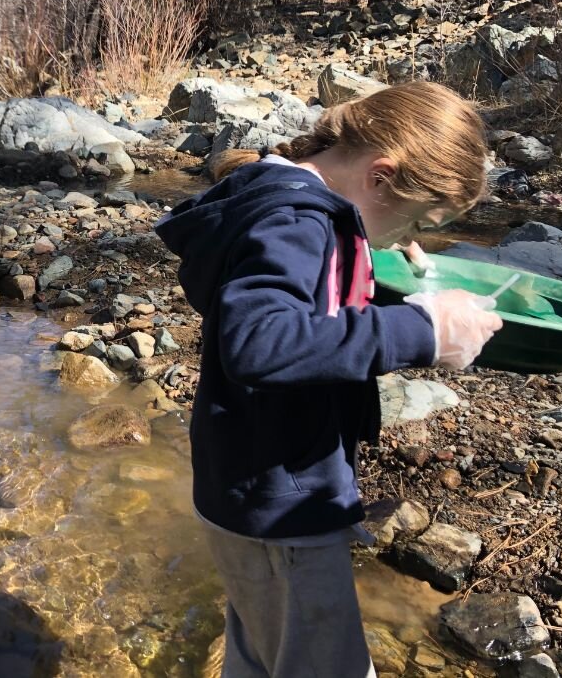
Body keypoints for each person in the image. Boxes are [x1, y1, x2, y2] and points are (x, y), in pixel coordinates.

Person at [154, 82, 503, 678]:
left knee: (262, 653)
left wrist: (384, 276)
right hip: (281, 505)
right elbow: (258, 340)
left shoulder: (284, 197)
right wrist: (420, 332)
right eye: (417, 218)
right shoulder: (298, 220)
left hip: (251, 482)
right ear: (381, 175)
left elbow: (296, 302)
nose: (409, 239)